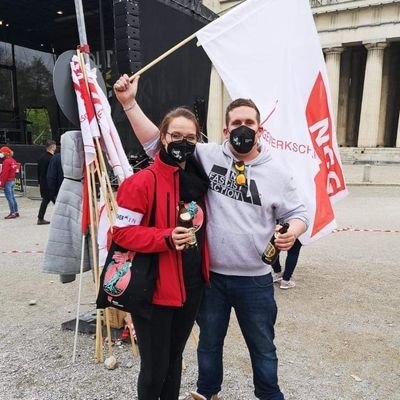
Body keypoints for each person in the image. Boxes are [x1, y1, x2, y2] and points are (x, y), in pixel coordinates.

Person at [114, 75, 308, 400]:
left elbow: (299, 214)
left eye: (249, 122)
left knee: (262, 346)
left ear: (260, 130)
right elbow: (157, 143)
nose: (242, 128)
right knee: (209, 344)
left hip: (256, 280)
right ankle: (207, 393)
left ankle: (269, 395)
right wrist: (129, 104)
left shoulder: (279, 172)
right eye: (236, 122)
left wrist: (292, 234)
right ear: (225, 130)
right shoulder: (208, 155)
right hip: (212, 279)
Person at [112, 106, 210, 400]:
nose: (183, 142)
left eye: (190, 137)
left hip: (191, 286)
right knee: (154, 369)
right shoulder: (140, 182)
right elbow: (121, 233)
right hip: (155, 288)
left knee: (175, 360)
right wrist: (165, 237)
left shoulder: (199, 180)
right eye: (176, 135)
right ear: (163, 138)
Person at [37, 139, 56, 225]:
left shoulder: (41, 157)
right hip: (49, 183)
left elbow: (38, 171)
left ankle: (40, 218)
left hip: (43, 182)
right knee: (54, 200)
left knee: (46, 200)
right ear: (52, 147)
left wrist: (39, 182)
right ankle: (40, 218)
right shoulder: (52, 158)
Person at [0, 146, 20, 219]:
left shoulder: (6, 161)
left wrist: (1, 184)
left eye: (1, 152)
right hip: (12, 180)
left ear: (5, 153)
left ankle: (13, 213)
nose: (1, 153)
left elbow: (4, 173)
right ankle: (16, 211)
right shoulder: (12, 160)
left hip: (7, 181)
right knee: (12, 197)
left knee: (9, 198)